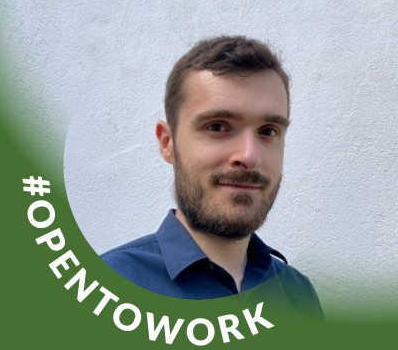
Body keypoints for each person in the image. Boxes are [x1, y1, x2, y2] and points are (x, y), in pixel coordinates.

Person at [101, 35, 323, 318]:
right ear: (168, 143)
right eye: (217, 126)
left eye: (268, 131)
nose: (249, 156)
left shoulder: (298, 293)